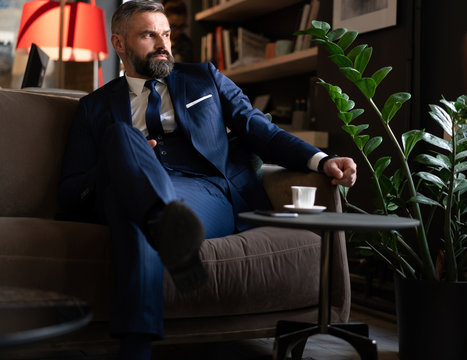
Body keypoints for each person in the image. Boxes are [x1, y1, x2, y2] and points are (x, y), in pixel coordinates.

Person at [58, 1, 357, 359]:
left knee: (129, 211)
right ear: (119, 44)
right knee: (122, 138)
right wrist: (122, 162)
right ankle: (163, 223)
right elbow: (72, 192)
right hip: (129, 189)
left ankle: (135, 348)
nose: (162, 44)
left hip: (203, 192)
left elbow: (259, 130)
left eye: (165, 33)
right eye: (148, 34)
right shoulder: (94, 107)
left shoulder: (205, 78)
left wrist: (322, 161)